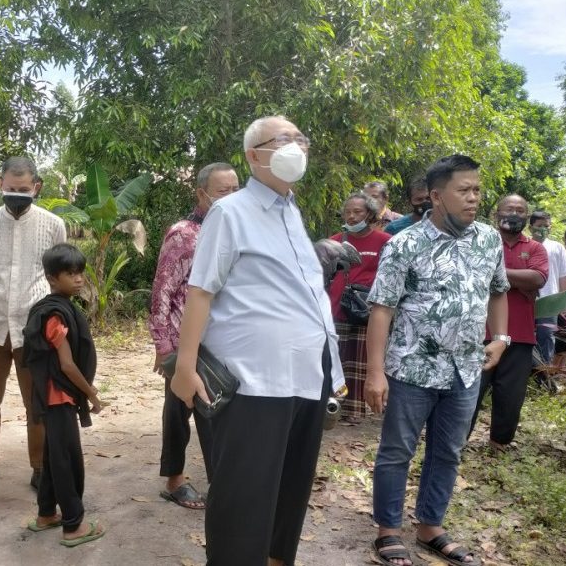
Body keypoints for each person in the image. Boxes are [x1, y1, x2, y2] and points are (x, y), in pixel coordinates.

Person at [170, 115, 345, 565]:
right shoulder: (230, 212)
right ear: (254, 155)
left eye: (300, 139)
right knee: (244, 496)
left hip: (306, 375)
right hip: (254, 381)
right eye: (284, 140)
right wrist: (185, 366)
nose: (296, 147)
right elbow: (200, 290)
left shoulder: (292, 211)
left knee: (290, 490)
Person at [365, 154, 509, 566]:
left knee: (447, 451)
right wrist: (376, 373)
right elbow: (382, 309)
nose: (474, 198)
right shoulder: (405, 244)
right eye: (464, 190)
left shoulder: (488, 239)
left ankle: (431, 527)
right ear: (436, 196)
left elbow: (498, 290)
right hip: (412, 368)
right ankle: (388, 530)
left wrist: (500, 338)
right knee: (397, 451)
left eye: (477, 190)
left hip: (466, 368)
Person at [0, 156, 67, 498]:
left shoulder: (53, 225)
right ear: (0, 185)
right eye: (11, 189)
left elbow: (56, 277)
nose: (17, 195)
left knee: (36, 402)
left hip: (33, 328)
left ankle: (39, 468)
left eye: (24, 190)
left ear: (36, 188)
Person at [148, 162, 237, 510]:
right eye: (222, 191)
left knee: (219, 412)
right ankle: (175, 480)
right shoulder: (184, 234)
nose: (231, 198)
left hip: (224, 339)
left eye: (235, 190)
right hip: (187, 341)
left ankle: (222, 482)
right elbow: (162, 292)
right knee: (181, 408)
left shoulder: (237, 231)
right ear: (202, 194)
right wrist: (165, 347)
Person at [23, 243, 106, 547]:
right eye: (70, 274)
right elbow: (68, 366)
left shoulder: (59, 307)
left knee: (52, 454)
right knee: (67, 461)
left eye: (80, 272)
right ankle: (73, 525)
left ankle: (46, 514)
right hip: (59, 397)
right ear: (52, 278)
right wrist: (92, 394)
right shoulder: (55, 315)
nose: (79, 279)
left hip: (56, 397)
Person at [468, 195, 548, 450]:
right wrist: (517, 280)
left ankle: (499, 443)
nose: (514, 213)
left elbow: (537, 279)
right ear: (496, 213)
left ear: (527, 217)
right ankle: (454, 441)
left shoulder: (535, 248)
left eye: (520, 210)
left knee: (510, 395)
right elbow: (470, 273)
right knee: (469, 390)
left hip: (521, 334)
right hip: (478, 331)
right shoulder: (479, 241)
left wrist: (494, 272)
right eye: (509, 208)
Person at [328, 191, 391, 422]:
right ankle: (334, 410)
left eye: (358, 212)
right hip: (337, 310)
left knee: (361, 362)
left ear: (370, 214)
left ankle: (356, 411)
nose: (352, 217)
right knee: (337, 361)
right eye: (348, 212)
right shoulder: (334, 241)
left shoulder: (385, 242)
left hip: (367, 313)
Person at [528, 211, 566, 366]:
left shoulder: (557, 247)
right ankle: (527, 371)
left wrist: (563, 300)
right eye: (539, 226)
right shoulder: (524, 245)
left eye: (546, 226)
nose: (542, 229)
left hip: (550, 301)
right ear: (530, 227)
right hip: (526, 300)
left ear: (551, 228)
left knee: (547, 335)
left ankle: (545, 371)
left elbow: (564, 274)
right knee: (524, 335)